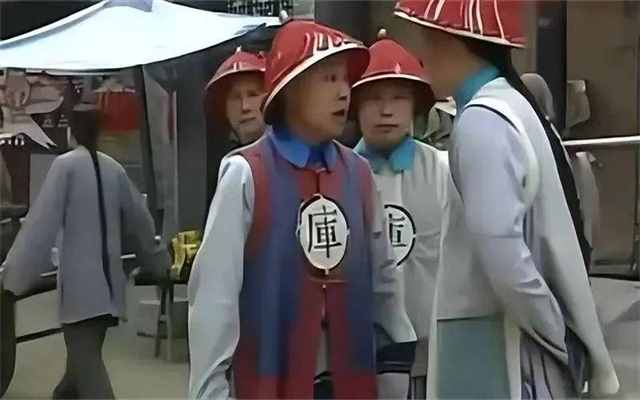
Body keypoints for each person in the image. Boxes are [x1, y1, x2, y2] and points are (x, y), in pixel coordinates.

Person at [394, 0, 619, 398]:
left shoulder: (482, 121)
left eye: (428, 39)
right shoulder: (510, 104)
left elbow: (503, 253)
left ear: (454, 41)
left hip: (502, 347)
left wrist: (554, 333)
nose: (422, 55)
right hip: (515, 339)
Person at [188, 19, 415, 399]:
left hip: (350, 383)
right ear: (290, 88)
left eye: (345, 80)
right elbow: (215, 297)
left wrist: (394, 372)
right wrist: (209, 390)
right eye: (329, 78)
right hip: (270, 383)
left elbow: (384, 283)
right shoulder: (246, 174)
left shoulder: (358, 173)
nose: (344, 92)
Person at [2, 104, 169, 399]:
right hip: (110, 289)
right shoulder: (114, 169)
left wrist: (11, 279)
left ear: (73, 131)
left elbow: (40, 229)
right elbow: (140, 223)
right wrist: (160, 263)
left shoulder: (65, 167)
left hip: (80, 293)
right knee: (76, 373)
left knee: (88, 370)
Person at [351, 30, 444, 399]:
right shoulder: (340, 173)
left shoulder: (442, 170)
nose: (386, 110)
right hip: (360, 353)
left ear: (415, 106)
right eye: (373, 99)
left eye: (398, 98)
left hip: (432, 352)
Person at [204, 47, 267, 150]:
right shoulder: (233, 160)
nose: (245, 107)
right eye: (235, 98)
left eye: (253, 95)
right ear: (224, 109)